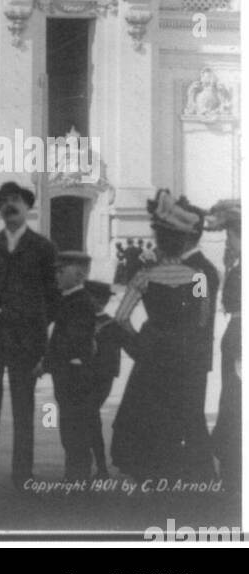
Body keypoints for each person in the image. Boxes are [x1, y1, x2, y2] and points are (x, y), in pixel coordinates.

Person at [111, 190, 215, 482]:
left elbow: (121, 318)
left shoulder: (144, 276)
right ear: (183, 241)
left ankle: (149, 473)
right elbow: (202, 319)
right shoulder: (198, 277)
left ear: (159, 241)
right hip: (181, 355)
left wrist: (140, 343)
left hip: (151, 354)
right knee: (177, 413)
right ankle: (174, 473)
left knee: (146, 412)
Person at [0, 180, 58, 493]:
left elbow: (52, 296)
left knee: (23, 411)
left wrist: (33, 325)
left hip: (26, 341)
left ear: (27, 207)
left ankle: (23, 476)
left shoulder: (43, 247)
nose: (10, 205)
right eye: (4, 201)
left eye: (16, 200)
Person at [41, 251, 96, 482]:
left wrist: (46, 364)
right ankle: (74, 475)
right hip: (67, 374)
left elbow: (69, 342)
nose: (57, 275)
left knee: (75, 429)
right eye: (56, 270)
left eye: (61, 271)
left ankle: (78, 479)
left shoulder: (81, 302)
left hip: (74, 374)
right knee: (69, 428)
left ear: (79, 274)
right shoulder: (69, 298)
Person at [176, 197, 220, 480]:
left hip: (188, 356)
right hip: (187, 355)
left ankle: (203, 479)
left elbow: (197, 317)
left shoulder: (200, 270)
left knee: (190, 417)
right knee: (186, 417)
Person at [207, 201, 240, 495]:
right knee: (231, 402)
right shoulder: (236, 265)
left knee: (236, 404)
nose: (227, 241)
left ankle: (234, 474)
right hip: (234, 339)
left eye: (230, 235)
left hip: (241, 340)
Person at [84, 280, 121, 478]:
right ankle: (97, 465)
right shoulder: (85, 320)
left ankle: (98, 465)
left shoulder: (109, 324)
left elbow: (112, 360)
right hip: (88, 378)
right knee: (90, 418)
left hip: (99, 380)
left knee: (89, 415)